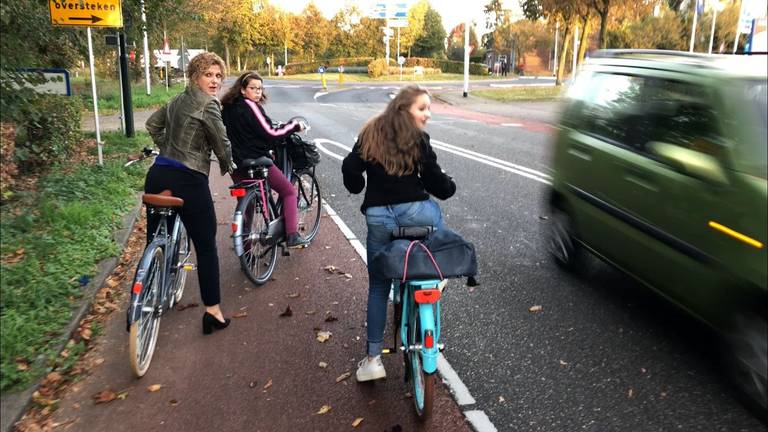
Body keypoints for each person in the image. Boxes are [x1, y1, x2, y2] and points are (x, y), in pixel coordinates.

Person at [341, 85, 456, 382]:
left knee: (379, 286)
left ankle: (373, 360)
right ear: (404, 109)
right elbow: (434, 180)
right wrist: (448, 187)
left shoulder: (370, 132)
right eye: (422, 108)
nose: (428, 114)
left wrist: (357, 186)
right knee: (436, 224)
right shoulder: (418, 139)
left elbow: (350, 167)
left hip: (379, 217)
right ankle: (437, 273)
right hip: (416, 212)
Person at [145, 52, 234, 335]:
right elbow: (221, 142)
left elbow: (152, 125)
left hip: (158, 173)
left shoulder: (176, 100)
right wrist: (228, 164)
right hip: (189, 179)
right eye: (209, 74)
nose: (215, 81)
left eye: (219, 76)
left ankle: (151, 290)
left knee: (156, 238)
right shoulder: (209, 105)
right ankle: (213, 312)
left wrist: (168, 148)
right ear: (195, 76)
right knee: (206, 245)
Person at [220, 71, 309, 248]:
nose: (258, 92)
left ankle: (244, 245)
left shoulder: (228, 108)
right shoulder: (250, 106)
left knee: (247, 200)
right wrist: (293, 126)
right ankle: (292, 235)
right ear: (243, 90)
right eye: (253, 88)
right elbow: (271, 133)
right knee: (288, 191)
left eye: (260, 88)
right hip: (256, 159)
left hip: (236, 162)